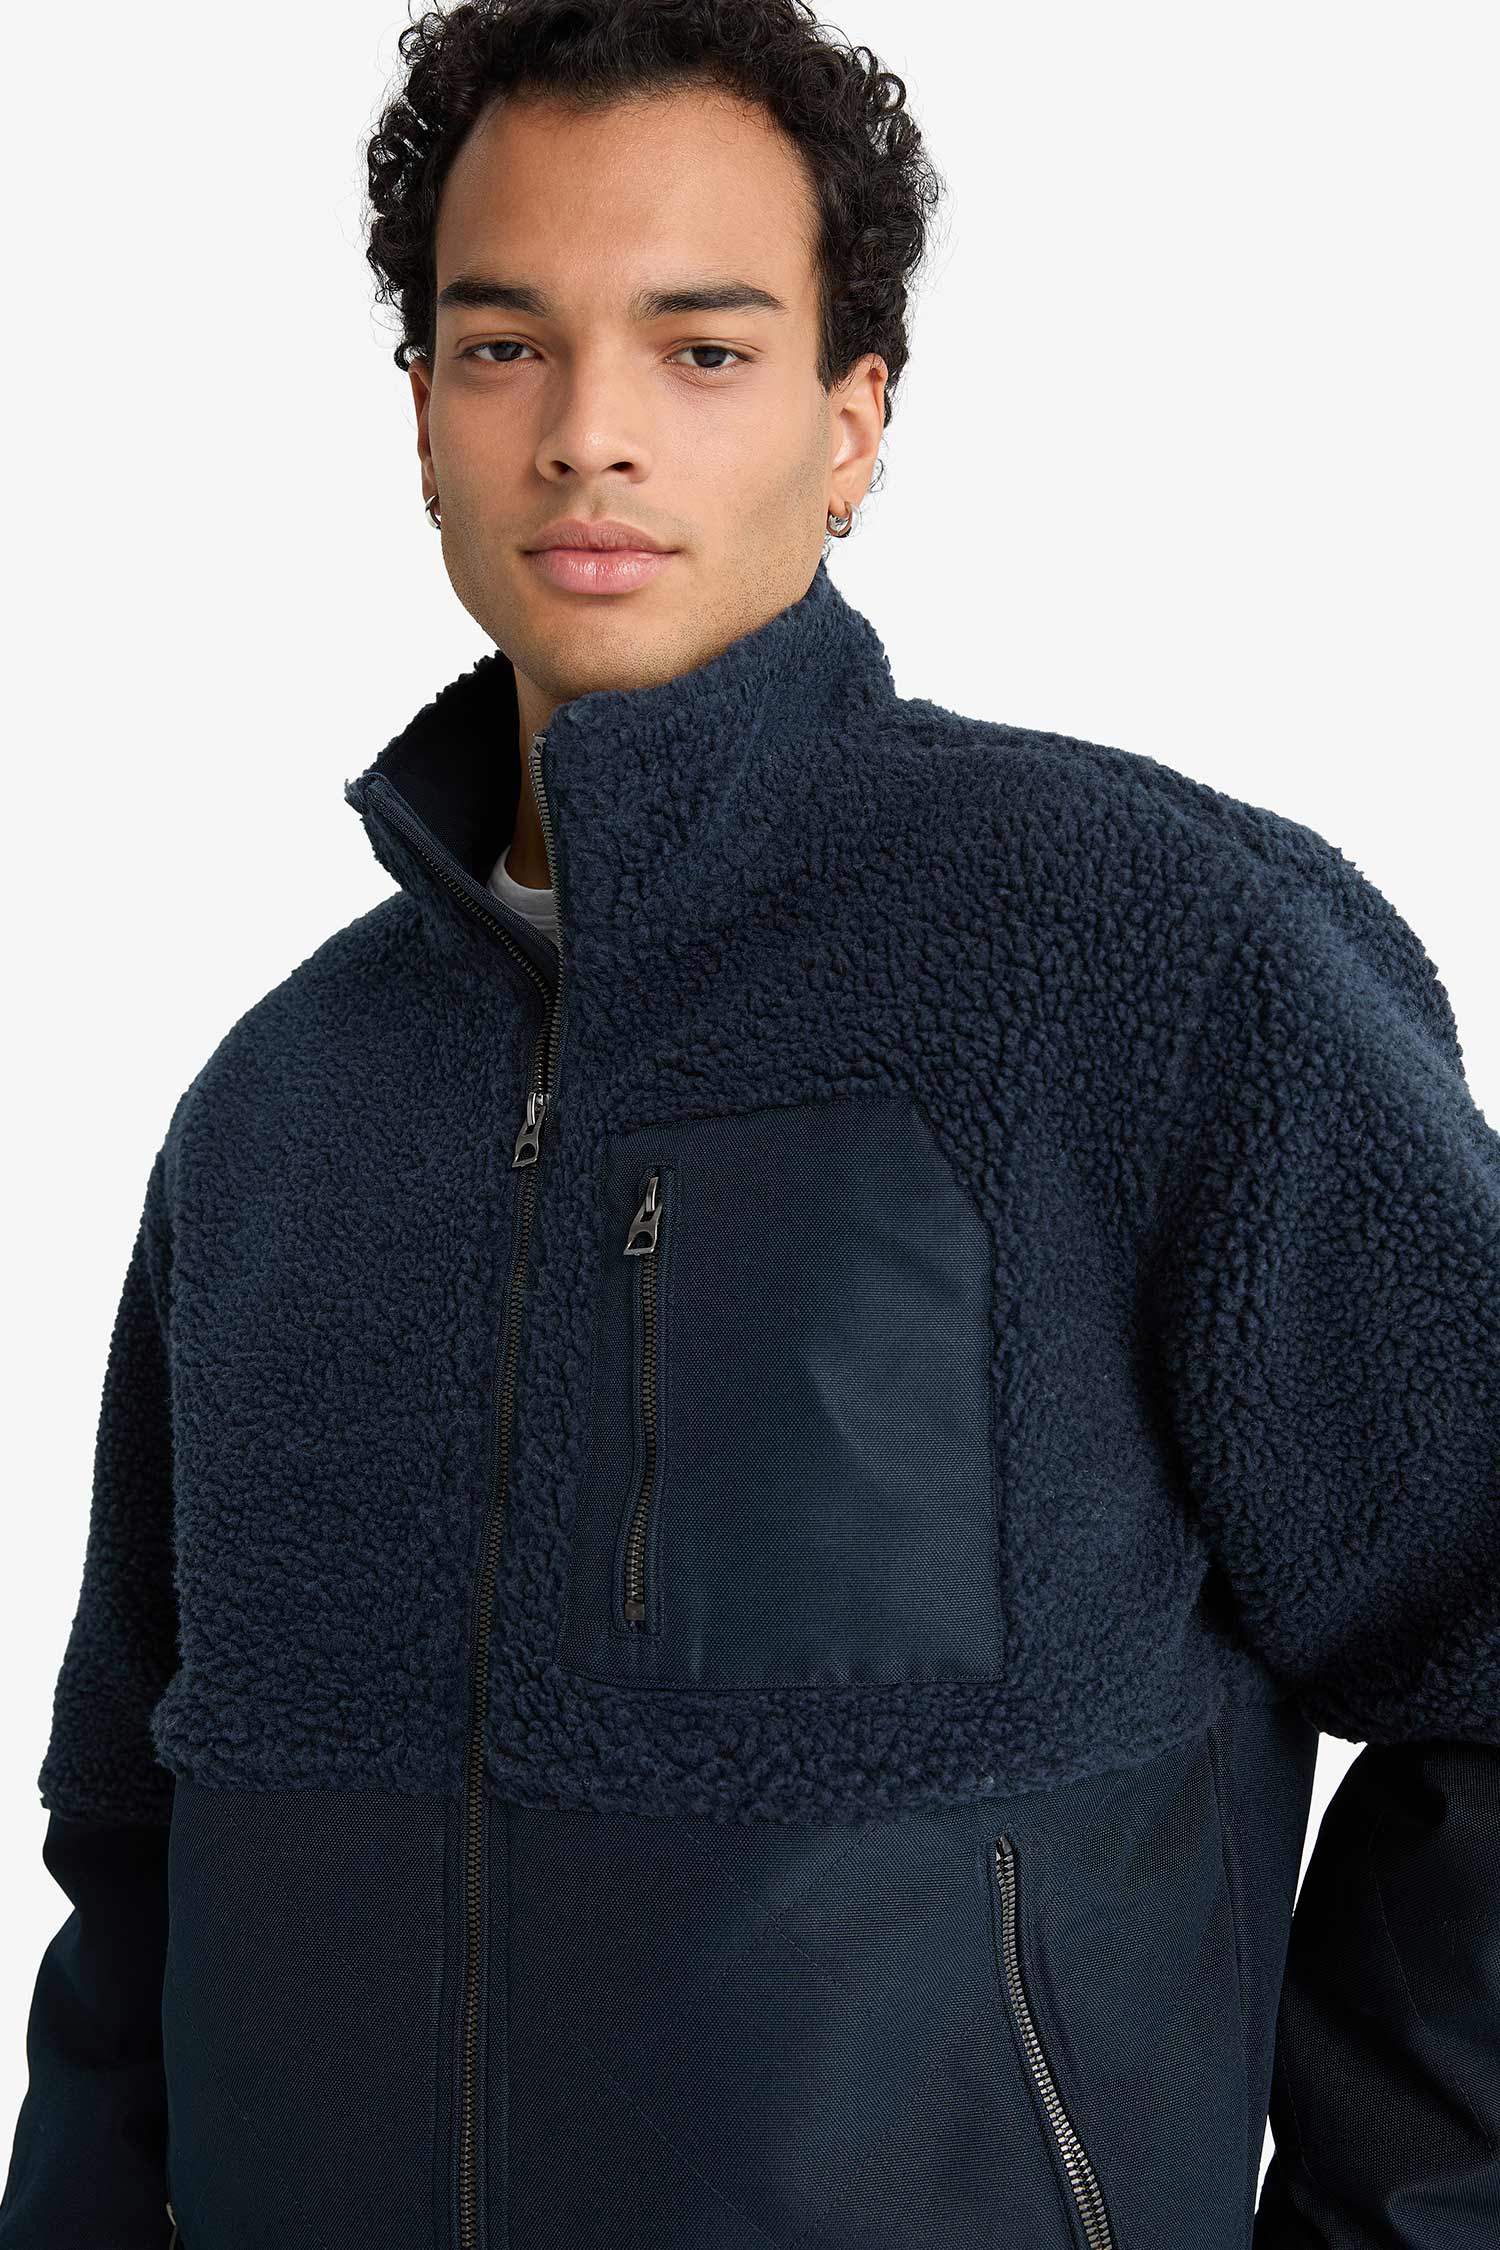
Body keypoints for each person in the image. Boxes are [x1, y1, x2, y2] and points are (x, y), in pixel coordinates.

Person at [3, 3, 1497, 2245]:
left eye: (701, 351)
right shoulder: (279, 1114)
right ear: (420, 413)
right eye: (504, 347)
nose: (587, 433)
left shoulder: (1151, 965)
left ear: (853, 417)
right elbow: (138, 1862)